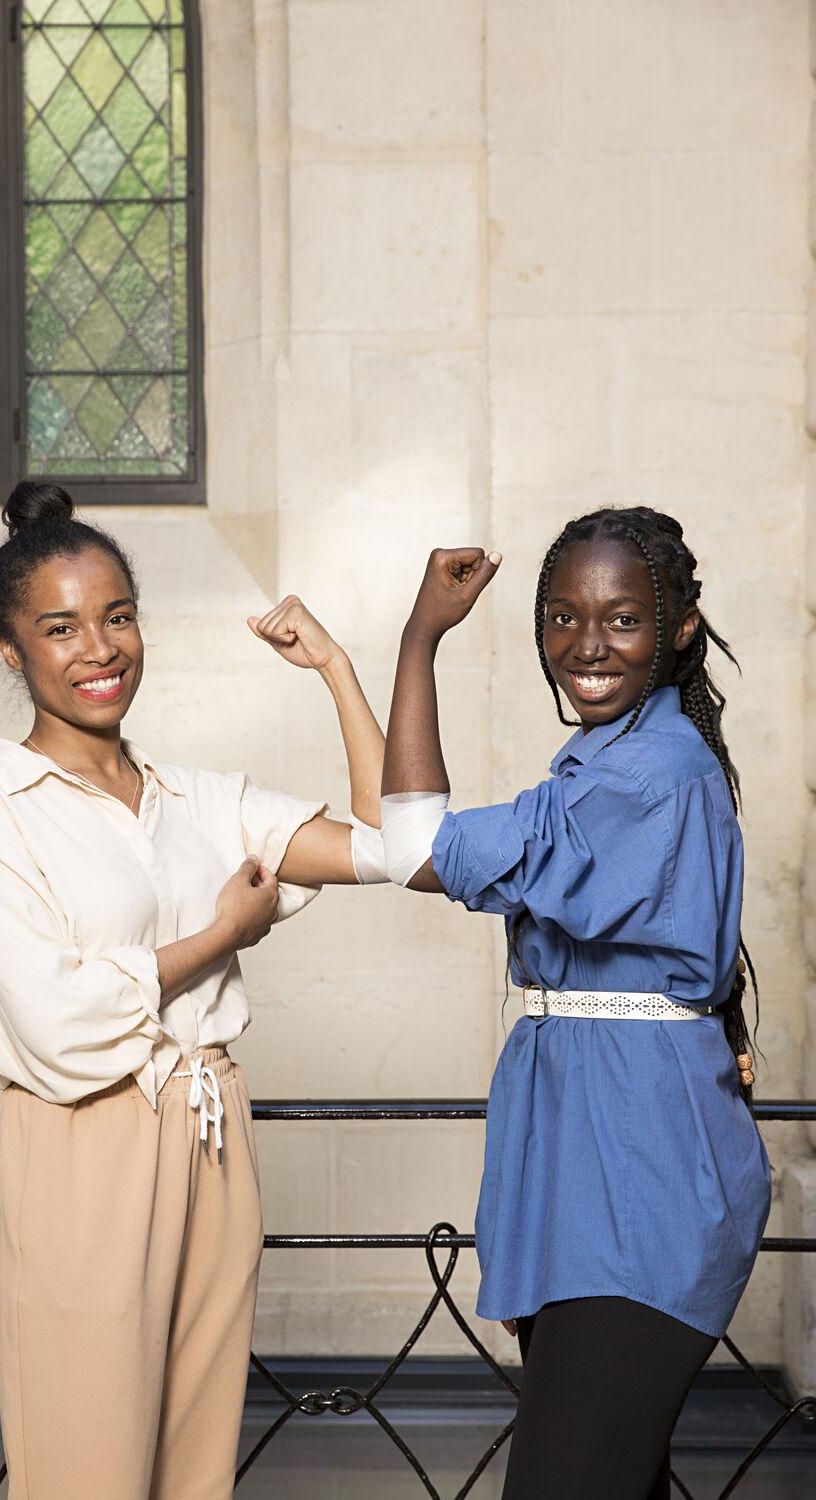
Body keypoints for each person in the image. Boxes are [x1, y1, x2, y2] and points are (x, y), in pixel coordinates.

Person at [0, 481, 388, 1500]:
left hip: (214, 1132)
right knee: (86, 1465)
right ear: (9, 650)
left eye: (118, 616)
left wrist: (338, 668)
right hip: (82, 1139)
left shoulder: (198, 800)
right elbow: (54, 1021)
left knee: (194, 1472)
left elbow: (392, 842)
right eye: (60, 628)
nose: (99, 649)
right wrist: (221, 935)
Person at [380, 506, 771, 1500]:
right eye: (563, 616)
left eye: (622, 619)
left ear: (679, 628)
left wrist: (419, 639)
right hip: (584, 1164)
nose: (586, 645)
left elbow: (414, 847)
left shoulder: (647, 771)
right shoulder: (606, 764)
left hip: (639, 1182)